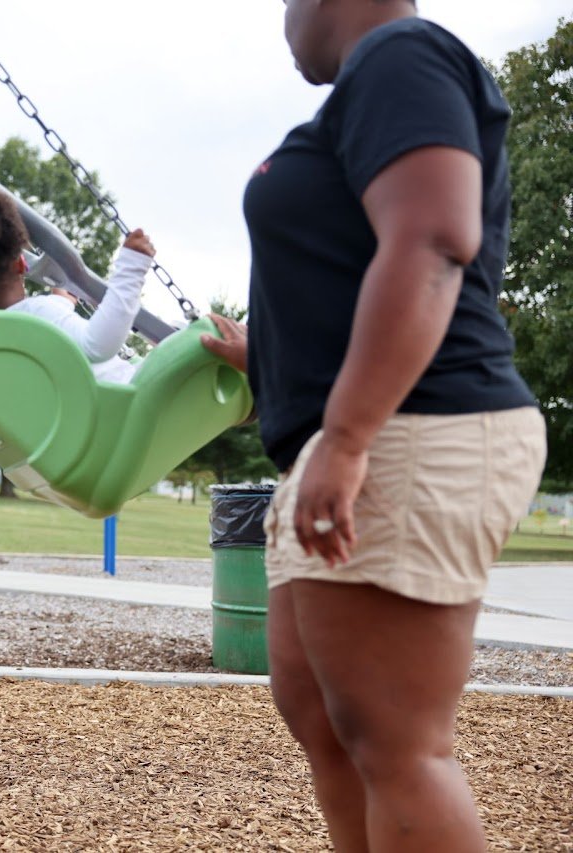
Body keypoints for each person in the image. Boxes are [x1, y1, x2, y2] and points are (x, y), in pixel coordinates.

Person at [199, 2, 546, 850]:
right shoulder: (370, 84)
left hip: (411, 426)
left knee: (396, 744)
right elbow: (359, 265)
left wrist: (349, 437)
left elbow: (431, 240)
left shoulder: (401, 55)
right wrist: (273, 361)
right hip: (354, 431)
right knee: (328, 723)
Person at [0, 189, 157, 384]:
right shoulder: (36, 314)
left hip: (97, 419)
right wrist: (131, 269)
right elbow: (96, 345)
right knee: (184, 335)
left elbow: (56, 328)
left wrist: (61, 298)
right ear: (20, 263)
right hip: (141, 400)